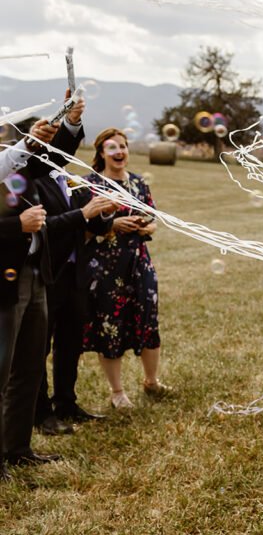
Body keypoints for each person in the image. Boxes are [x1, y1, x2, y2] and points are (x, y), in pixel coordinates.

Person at [1, 99, 86, 480]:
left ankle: (17, 448)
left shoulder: (15, 164)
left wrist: (68, 124)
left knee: (30, 367)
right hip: (5, 280)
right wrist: (15, 226)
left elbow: (51, 159)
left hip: (35, 274)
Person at [81, 128, 168, 410]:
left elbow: (153, 220)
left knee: (148, 319)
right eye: (112, 147)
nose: (119, 152)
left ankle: (151, 381)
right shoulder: (89, 184)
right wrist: (112, 226)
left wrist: (144, 226)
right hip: (105, 267)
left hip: (139, 263)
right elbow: (81, 226)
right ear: (101, 153)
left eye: (123, 146)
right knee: (110, 326)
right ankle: (117, 392)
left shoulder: (139, 184)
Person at [33, 166, 116, 434]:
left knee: (70, 342)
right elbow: (43, 227)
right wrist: (82, 213)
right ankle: (41, 413)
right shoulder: (31, 178)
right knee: (38, 346)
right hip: (46, 274)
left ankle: (66, 404)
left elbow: (95, 225)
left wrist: (106, 211)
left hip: (75, 274)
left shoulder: (71, 179)